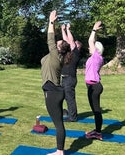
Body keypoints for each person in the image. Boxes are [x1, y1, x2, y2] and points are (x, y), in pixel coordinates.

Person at [40, 10, 72, 155]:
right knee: (58, 121)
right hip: (55, 91)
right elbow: (56, 42)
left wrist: (51, 22)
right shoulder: (56, 56)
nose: (56, 42)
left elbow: (50, 38)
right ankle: (60, 150)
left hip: (52, 92)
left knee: (58, 124)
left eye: (58, 43)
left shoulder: (55, 55)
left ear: (58, 49)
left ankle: (60, 152)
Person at [84, 21, 105, 140]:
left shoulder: (97, 56)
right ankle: (97, 130)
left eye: (91, 47)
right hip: (92, 86)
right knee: (95, 110)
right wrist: (95, 32)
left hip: (94, 87)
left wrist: (94, 30)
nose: (88, 48)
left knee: (96, 110)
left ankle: (98, 133)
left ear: (96, 49)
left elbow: (90, 41)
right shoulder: (96, 57)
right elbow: (93, 42)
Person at [61, 23, 81, 122]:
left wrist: (68, 29)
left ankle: (72, 117)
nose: (72, 43)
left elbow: (71, 41)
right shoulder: (69, 53)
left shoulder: (76, 53)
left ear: (78, 47)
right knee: (65, 96)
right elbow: (67, 41)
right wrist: (62, 30)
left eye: (75, 43)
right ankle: (71, 112)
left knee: (70, 98)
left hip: (69, 78)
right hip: (66, 78)